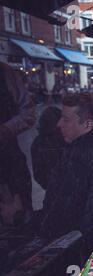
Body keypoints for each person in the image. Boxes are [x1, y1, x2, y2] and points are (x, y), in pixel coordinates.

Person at [38, 92, 93, 258]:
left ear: (87, 125)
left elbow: (60, 215)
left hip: (81, 247)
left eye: (66, 119)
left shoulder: (80, 155)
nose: (59, 124)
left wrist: (22, 219)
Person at [0, 62, 35, 227]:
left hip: (8, 163)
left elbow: (28, 112)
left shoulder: (5, 72)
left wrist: (6, 129)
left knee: (18, 221)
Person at [31, 106, 66, 190]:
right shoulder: (66, 138)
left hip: (52, 190)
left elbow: (38, 173)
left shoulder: (38, 142)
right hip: (71, 189)